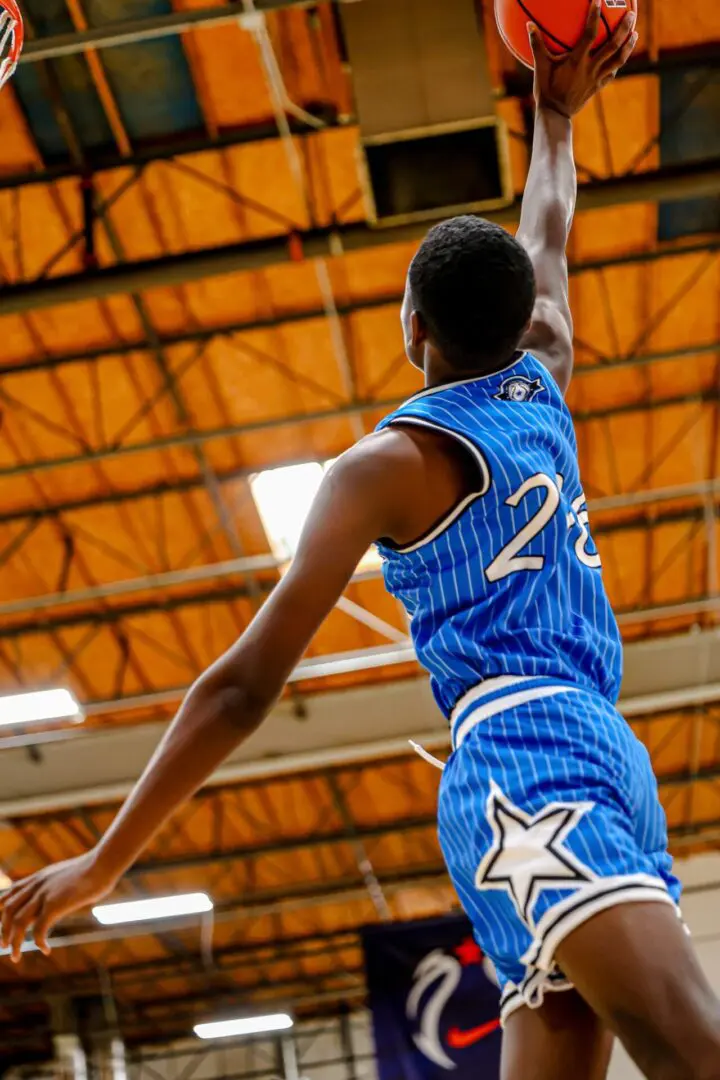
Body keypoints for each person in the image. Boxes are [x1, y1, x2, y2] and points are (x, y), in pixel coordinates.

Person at [3, 5, 720, 1077]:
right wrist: (553, 113)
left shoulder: (377, 468)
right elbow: (550, 229)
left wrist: (109, 861)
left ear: (411, 324)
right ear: (520, 318)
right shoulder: (544, 374)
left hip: (575, 758)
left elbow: (245, 689)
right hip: (538, 761)